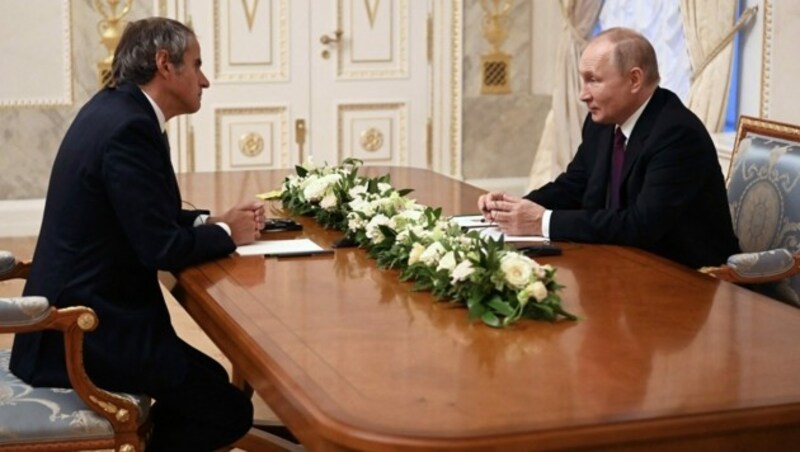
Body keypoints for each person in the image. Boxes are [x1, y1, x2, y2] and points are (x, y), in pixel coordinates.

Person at [10, 17, 260, 451]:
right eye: (196, 64)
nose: (205, 80)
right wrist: (226, 232)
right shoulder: (130, 127)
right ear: (165, 64)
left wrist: (208, 223)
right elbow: (159, 248)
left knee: (210, 386)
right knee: (226, 407)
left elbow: (142, 215)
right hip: (82, 332)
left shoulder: (119, 109)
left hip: (87, 314)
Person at [478, 27, 740, 269]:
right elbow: (573, 186)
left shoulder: (677, 134)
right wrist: (514, 208)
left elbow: (641, 225)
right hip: (622, 264)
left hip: (689, 280)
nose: (583, 94)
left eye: (593, 80)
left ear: (634, 79)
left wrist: (542, 221)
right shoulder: (602, 123)